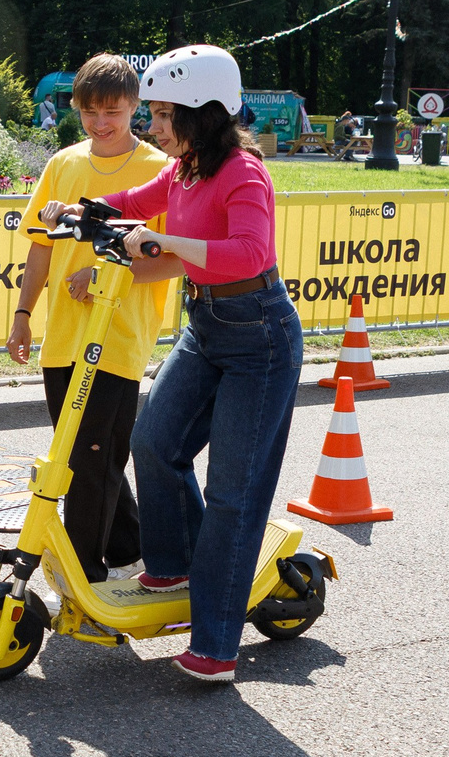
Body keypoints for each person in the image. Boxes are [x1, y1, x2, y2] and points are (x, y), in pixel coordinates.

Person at [38, 43, 299, 687]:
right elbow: (135, 196)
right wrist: (79, 211)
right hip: (207, 326)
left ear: (200, 111)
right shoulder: (184, 170)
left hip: (259, 337)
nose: (152, 125)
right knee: (153, 443)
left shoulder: (242, 173)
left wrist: (163, 241)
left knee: (233, 494)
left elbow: (248, 252)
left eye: (161, 113)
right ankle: (178, 563)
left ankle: (216, 645)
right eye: (151, 112)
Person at [9, 54, 172, 585]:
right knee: (84, 454)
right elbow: (40, 247)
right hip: (63, 337)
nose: (101, 123)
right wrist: (22, 314)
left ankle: (84, 577)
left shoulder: (159, 169)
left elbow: (171, 254)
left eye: (113, 112)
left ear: (135, 107)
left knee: (90, 459)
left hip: (118, 337)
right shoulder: (63, 164)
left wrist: (105, 274)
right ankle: (134, 551)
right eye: (90, 111)